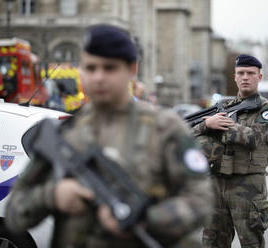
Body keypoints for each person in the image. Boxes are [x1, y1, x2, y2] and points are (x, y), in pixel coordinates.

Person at [5, 24, 213, 248]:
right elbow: (14, 213)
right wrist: (53, 196)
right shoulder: (64, 132)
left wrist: (144, 219)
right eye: (91, 68)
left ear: (132, 69)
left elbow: (201, 203)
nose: (99, 77)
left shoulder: (166, 129)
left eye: (109, 68)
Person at [193, 54, 268, 248]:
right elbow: (188, 135)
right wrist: (207, 124)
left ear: (259, 77)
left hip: (247, 186)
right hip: (216, 183)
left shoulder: (267, 109)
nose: (245, 77)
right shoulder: (222, 107)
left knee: (251, 242)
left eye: (250, 73)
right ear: (235, 77)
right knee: (212, 242)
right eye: (241, 73)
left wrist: (224, 125)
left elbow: (255, 138)